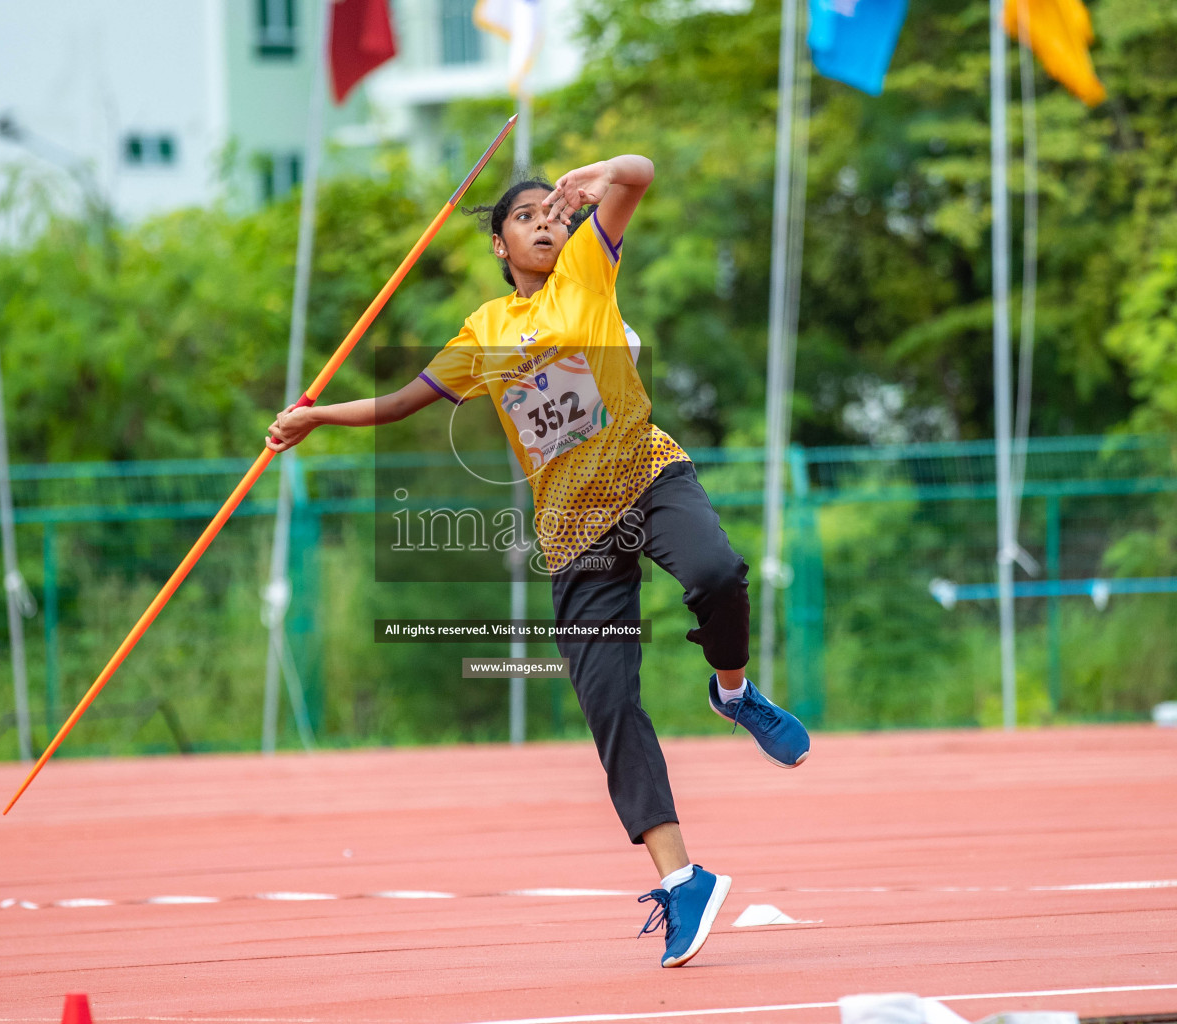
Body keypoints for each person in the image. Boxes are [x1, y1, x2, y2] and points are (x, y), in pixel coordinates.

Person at [264, 154, 810, 968]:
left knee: (717, 574)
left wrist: (590, 180)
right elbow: (404, 399)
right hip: (572, 532)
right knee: (609, 705)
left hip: (645, 475)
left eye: (550, 213)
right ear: (498, 245)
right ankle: (683, 879)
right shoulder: (484, 332)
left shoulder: (588, 265)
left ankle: (733, 694)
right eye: (524, 217)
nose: (545, 223)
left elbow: (642, 172)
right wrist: (317, 418)